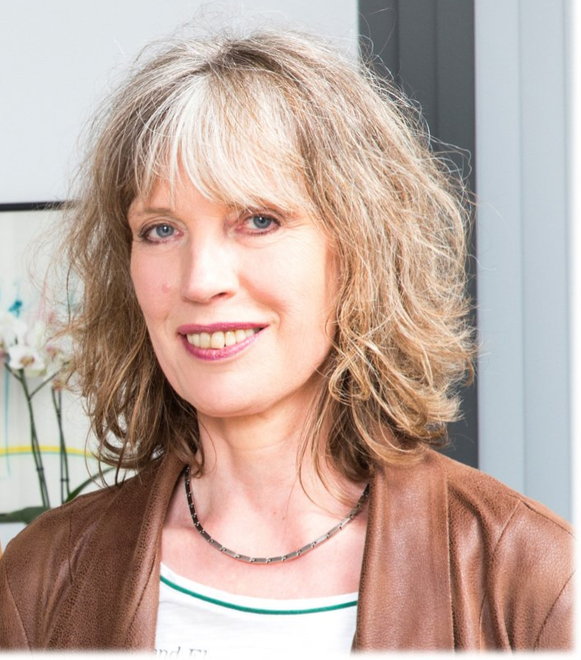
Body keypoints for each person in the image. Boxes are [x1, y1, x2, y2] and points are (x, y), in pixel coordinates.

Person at [0, 27, 573, 653]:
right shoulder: (39, 578)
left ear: (357, 250)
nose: (201, 281)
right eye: (161, 229)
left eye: (258, 220)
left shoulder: (532, 578)